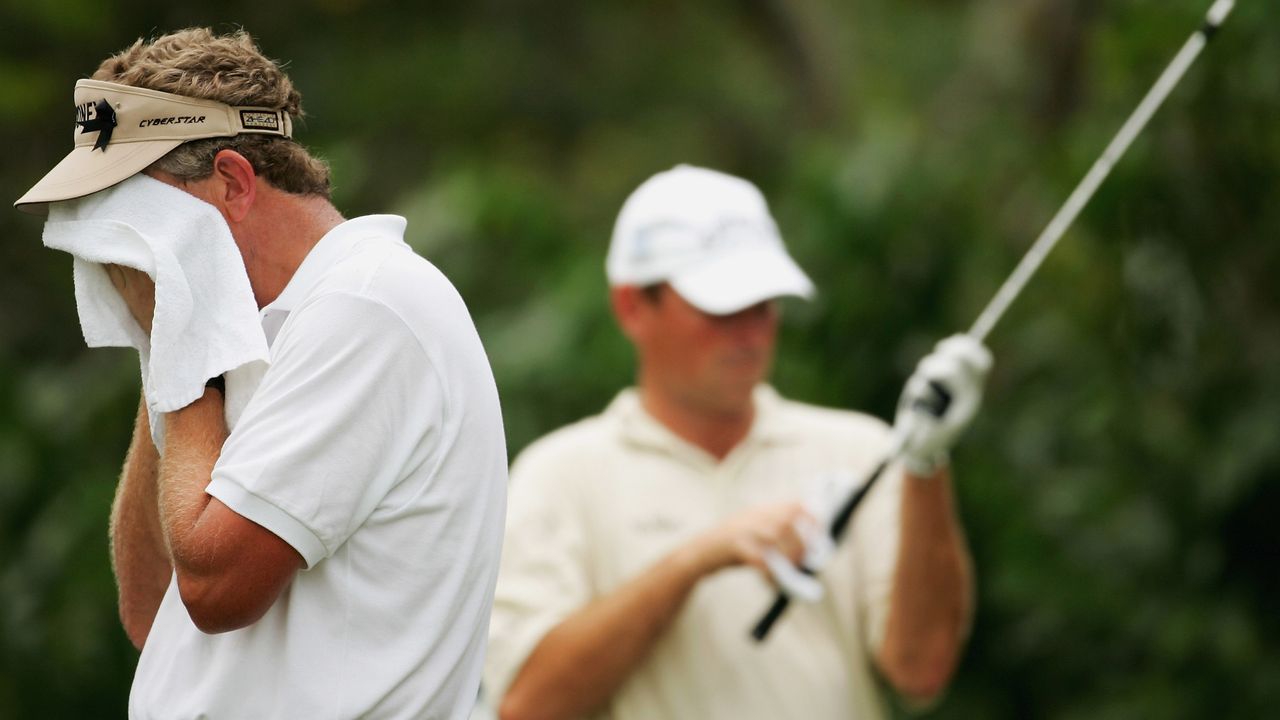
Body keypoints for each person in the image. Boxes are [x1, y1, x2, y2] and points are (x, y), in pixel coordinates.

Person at [16, 29, 507, 718]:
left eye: (133, 220)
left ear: (234, 184)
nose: (116, 254)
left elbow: (216, 593)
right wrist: (178, 345)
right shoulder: (243, 338)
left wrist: (181, 334)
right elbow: (151, 609)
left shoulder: (365, 307)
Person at [483, 165, 991, 720]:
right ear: (632, 306)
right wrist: (695, 560)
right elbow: (527, 705)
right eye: (722, 307)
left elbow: (920, 670)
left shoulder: (862, 449)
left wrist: (924, 464)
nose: (750, 332)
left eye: (764, 304)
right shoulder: (559, 476)